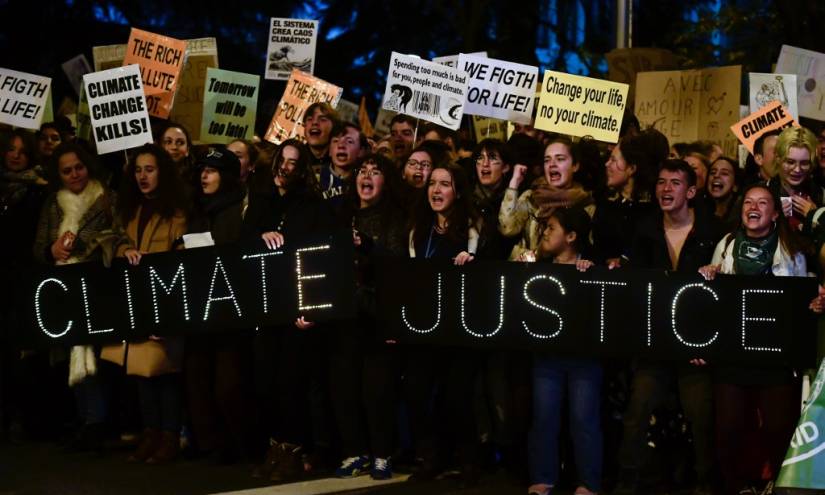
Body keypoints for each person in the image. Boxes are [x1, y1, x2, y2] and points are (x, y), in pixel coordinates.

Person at [699, 183, 824, 494]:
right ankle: (735, 487)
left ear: (774, 213)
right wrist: (708, 276)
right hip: (733, 355)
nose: (753, 207)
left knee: (779, 429)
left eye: (762, 203)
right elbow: (711, 299)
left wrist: (814, 304)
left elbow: (802, 302)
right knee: (728, 428)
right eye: (748, 202)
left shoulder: (792, 250)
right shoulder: (726, 245)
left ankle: (775, 485)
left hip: (775, 358)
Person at [616, 160, 723, 495]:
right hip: (656, 345)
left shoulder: (714, 233)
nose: (665, 189)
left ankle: (704, 483)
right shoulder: (645, 233)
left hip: (695, 348)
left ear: (691, 191)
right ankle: (626, 483)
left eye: (674, 183)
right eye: (661, 182)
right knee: (637, 412)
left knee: (701, 416)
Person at [243, 139, 334, 482]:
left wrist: (311, 308)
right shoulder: (261, 201)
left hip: (297, 307)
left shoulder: (312, 205)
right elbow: (243, 244)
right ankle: (274, 447)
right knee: (266, 380)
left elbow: (319, 254)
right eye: (283, 160)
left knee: (293, 382)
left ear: (303, 168)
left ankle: (292, 451)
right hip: (267, 307)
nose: (286, 167)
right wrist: (260, 235)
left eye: (294, 163)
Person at [32, 142, 117, 451]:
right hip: (63, 290)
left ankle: (100, 422)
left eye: (78, 167)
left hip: (97, 287)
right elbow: (39, 246)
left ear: (88, 166)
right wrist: (51, 250)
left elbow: (118, 235)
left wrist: (86, 244)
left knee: (98, 354)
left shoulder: (107, 198)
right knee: (73, 352)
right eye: (67, 171)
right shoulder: (53, 204)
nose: (74, 175)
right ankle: (87, 420)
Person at [107, 143, 188, 464]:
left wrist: (169, 311)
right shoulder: (131, 208)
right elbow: (113, 238)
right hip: (137, 300)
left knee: (166, 373)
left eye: (149, 169)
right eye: (138, 169)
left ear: (162, 172)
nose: (142, 175)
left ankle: (169, 435)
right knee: (141, 373)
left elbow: (180, 257)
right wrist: (124, 249)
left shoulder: (177, 212)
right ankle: (151, 432)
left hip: (164, 298)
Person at [405, 162, 483, 486]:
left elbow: (484, 277)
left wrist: (471, 261)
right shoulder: (417, 231)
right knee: (420, 393)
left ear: (458, 190)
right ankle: (431, 457)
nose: (436, 190)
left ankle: (467, 462)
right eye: (432, 184)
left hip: (460, 327)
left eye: (444, 184)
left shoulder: (472, 229)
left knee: (457, 396)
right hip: (426, 326)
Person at [330, 153, 406, 480]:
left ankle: (382, 453)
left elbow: (396, 262)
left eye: (375, 172)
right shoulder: (340, 214)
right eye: (363, 170)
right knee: (344, 387)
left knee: (376, 390)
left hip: (377, 314)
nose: (367, 176)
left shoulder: (395, 219)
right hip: (344, 315)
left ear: (385, 182)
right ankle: (355, 450)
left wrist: (366, 245)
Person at [524, 207, 601, 495]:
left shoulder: (590, 268)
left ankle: (588, 483)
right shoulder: (536, 266)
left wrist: (593, 274)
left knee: (584, 420)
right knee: (544, 418)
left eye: (551, 228)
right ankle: (543, 477)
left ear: (571, 236)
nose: (544, 232)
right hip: (547, 356)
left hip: (584, 358)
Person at [184, 146, 254, 464]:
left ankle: (239, 444)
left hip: (231, 309)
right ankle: (211, 444)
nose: (203, 176)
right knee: (197, 378)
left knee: (228, 384)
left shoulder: (242, 208)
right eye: (201, 170)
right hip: (201, 306)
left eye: (210, 171)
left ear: (225, 176)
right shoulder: (197, 209)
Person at [499, 136, 595, 261]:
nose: (552, 165)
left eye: (560, 159)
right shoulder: (531, 196)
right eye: (547, 160)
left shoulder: (585, 204)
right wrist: (514, 183)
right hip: (526, 269)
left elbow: (584, 249)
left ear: (575, 166)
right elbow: (507, 228)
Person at [320, 122, 366, 209]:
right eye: (335, 141)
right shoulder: (313, 178)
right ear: (329, 150)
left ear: (361, 151)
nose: (341, 145)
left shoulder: (366, 183)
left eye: (349, 141)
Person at [706, 156, 742, 231]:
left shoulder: (741, 215)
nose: (716, 176)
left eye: (724, 173)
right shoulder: (699, 211)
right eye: (712, 172)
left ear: (735, 185)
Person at [303, 102, 339, 174]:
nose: (315, 122)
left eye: (322, 119)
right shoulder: (296, 158)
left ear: (334, 127)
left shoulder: (341, 163)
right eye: (310, 119)